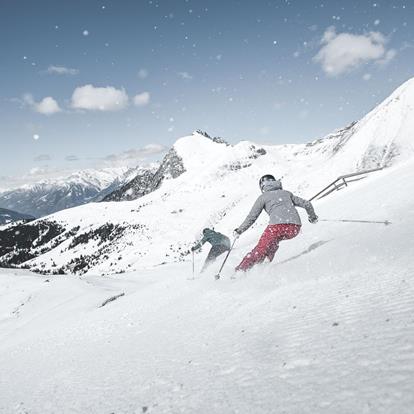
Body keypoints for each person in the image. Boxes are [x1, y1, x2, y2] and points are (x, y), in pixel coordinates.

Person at [234, 174, 318, 272]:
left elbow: (252, 217)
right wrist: (312, 217)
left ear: (262, 186)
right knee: (273, 242)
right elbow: (307, 204)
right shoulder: (287, 193)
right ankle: (263, 264)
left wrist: (240, 230)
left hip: (277, 227)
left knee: (261, 248)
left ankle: (240, 271)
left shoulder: (263, 197)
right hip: (294, 228)